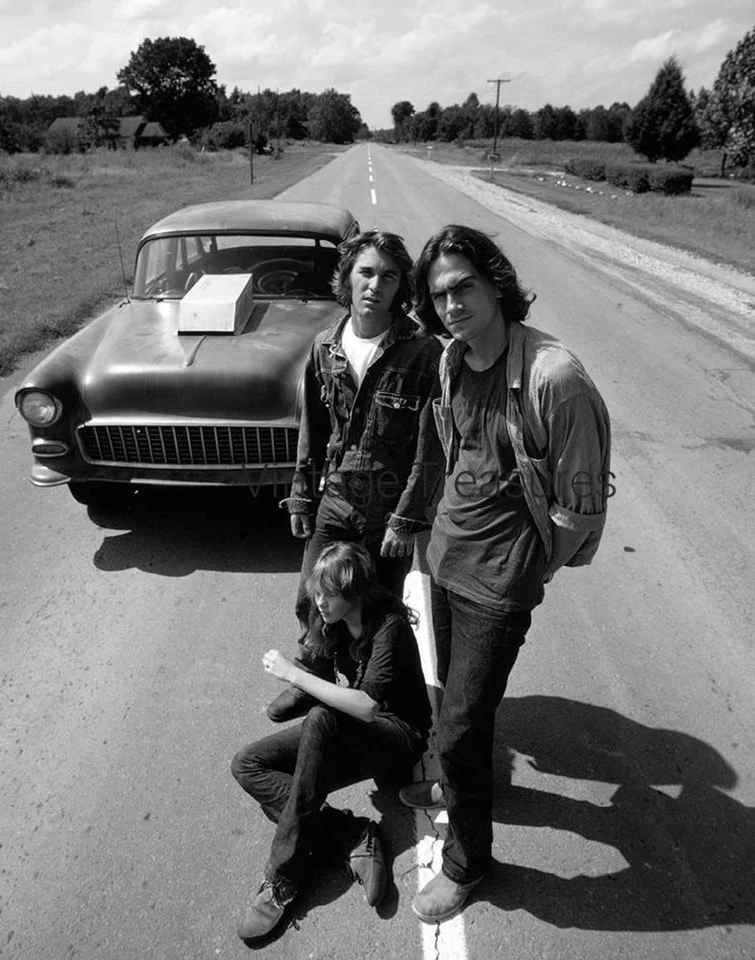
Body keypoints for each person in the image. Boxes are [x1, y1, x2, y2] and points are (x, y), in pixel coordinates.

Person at [399, 224, 611, 924]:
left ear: (495, 282)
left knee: (458, 727)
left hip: (499, 581)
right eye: (438, 295)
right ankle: (464, 784)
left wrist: (533, 571)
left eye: (463, 287)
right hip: (446, 558)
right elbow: (455, 449)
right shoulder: (451, 358)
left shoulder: (554, 378)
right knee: (457, 703)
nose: (451, 304)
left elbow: (580, 508)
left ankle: (466, 861)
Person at [272, 229, 443, 722]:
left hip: (386, 511)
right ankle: (318, 677)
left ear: (401, 286)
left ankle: (379, 698)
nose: (376, 285)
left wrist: (406, 519)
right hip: (335, 498)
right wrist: (302, 498)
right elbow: (313, 427)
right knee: (313, 595)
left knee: (374, 614)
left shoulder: (422, 352)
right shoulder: (326, 346)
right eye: (366, 272)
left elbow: (430, 448)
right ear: (346, 278)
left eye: (389, 276)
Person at [231, 542, 432, 940]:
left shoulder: (388, 625)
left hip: (398, 739)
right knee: (248, 764)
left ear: (354, 591)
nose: (319, 602)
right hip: (350, 732)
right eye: (316, 592)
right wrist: (296, 690)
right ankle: (353, 835)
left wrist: (293, 674)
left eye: (327, 593)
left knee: (320, 722)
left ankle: (283, 877)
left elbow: (368, 706)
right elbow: (324, 676)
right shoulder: (333, 623)